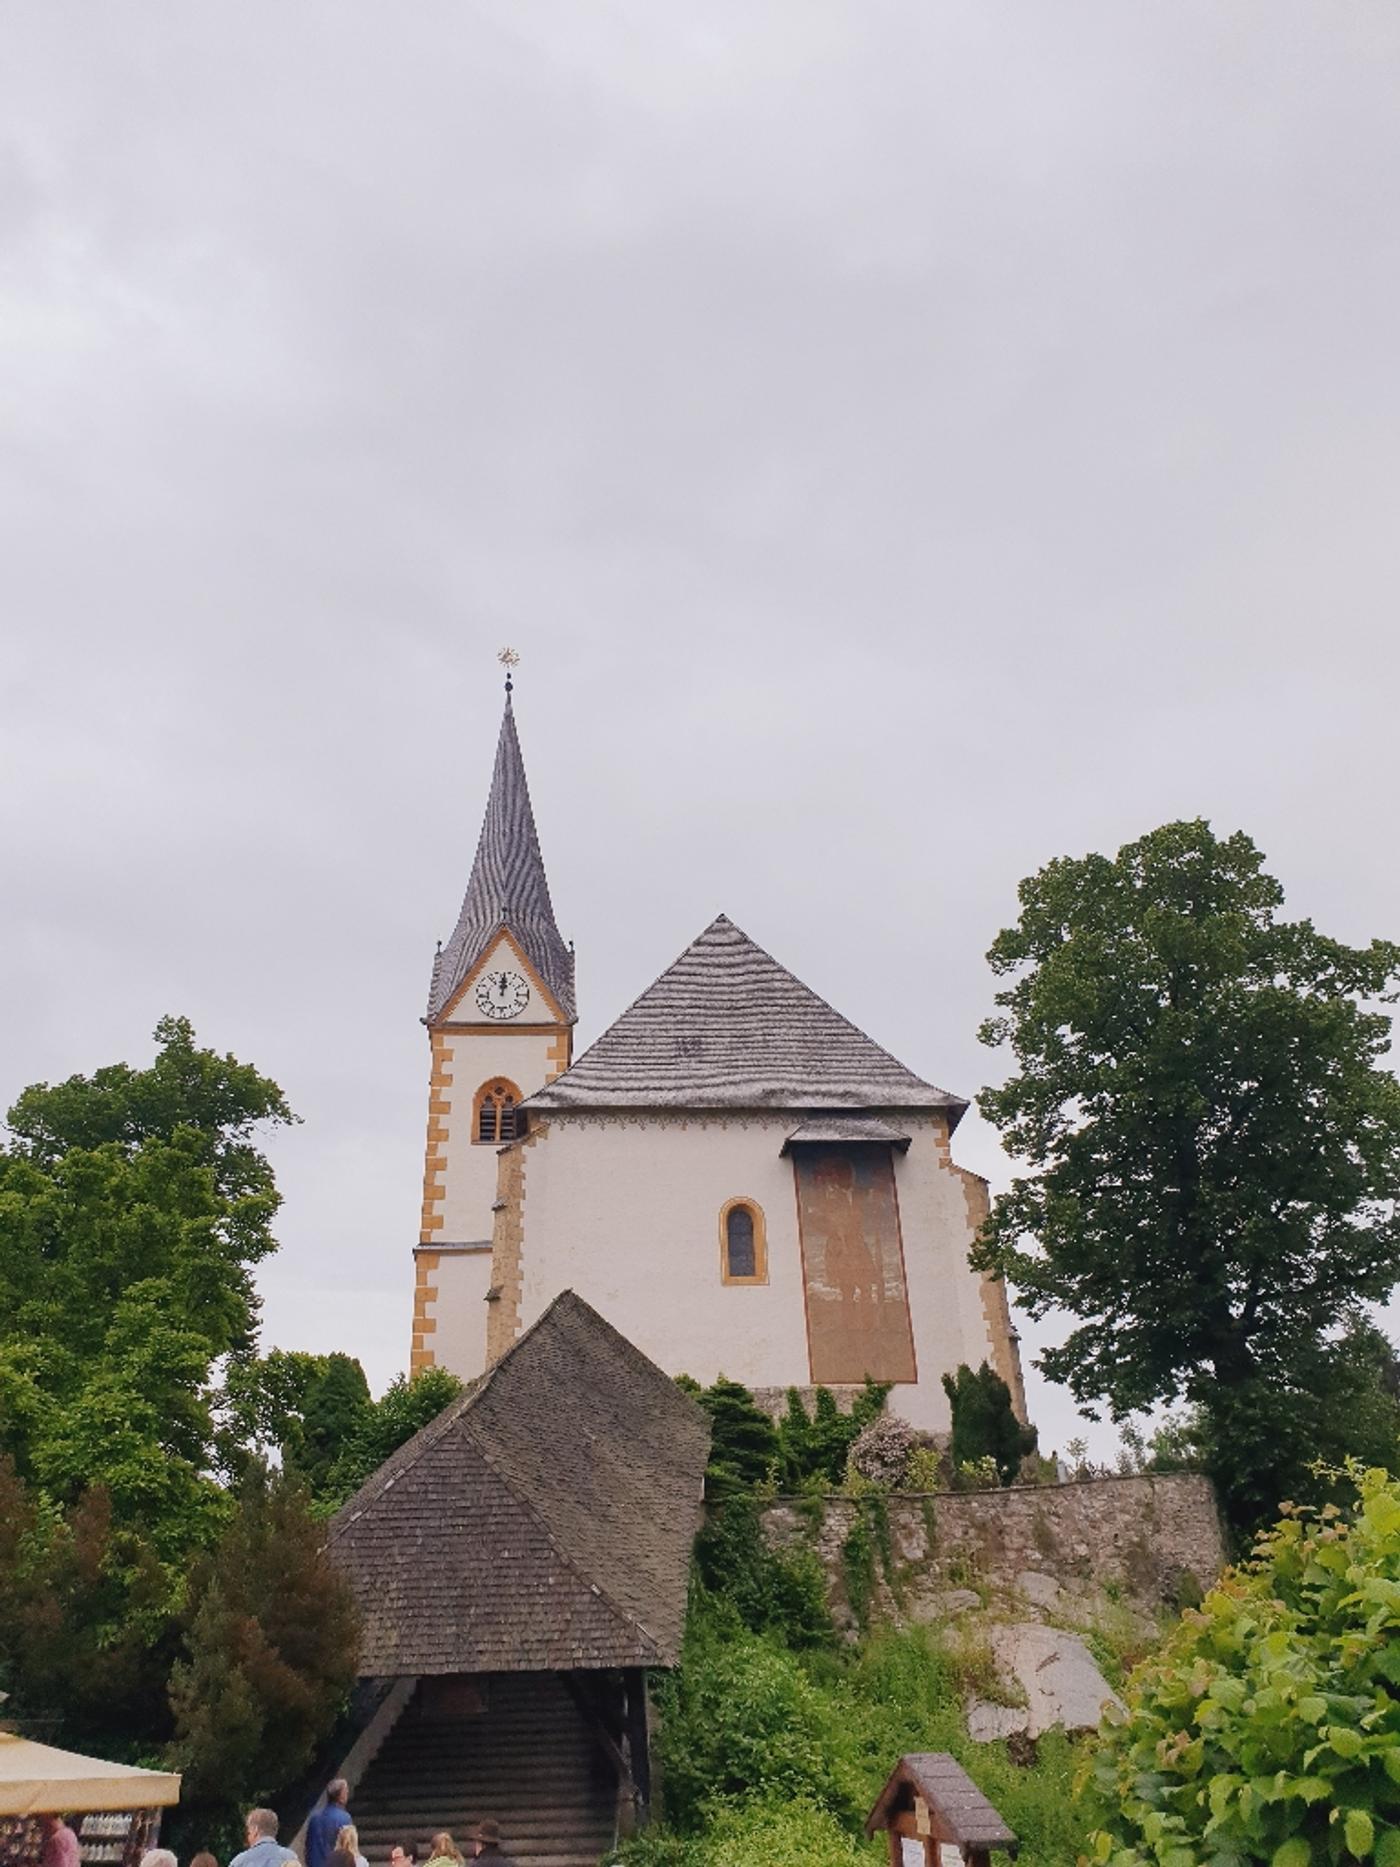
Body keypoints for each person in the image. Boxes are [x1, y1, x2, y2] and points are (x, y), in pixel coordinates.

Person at [305, 1782, 353, 1867]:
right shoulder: (345, 1818)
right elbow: (347, 1848)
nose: (347, 1794)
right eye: (346, 1792)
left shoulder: (314, 1819)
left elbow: (308, 1848)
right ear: (341, 1797)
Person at [228, 1808, 296, 1867]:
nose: (248, 1838)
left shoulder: (240, 1862)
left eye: (249, 1833)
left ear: (255, 1830)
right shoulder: (289, 1857)